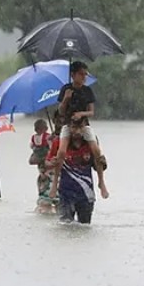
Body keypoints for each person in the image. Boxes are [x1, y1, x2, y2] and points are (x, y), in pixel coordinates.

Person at [49, 61, 109, 200]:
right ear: (73, 75)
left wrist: (81, 114)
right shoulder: (66, 89)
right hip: (68, 125)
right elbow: (61, 111)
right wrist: (66, 99)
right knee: (61, 152)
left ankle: (101, 181)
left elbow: (91, 112)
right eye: (81, 74)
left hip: (83, 125)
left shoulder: (87, 91)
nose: (84, 77)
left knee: (96, 151)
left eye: (85, 74)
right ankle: (55, 184)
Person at [55, 119, 107, 224]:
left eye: (80, 127)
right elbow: (48, 163)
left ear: (85, 128)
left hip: (86, 194)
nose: (77, 131)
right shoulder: (61, 144)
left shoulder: (90, 144)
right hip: (66, 193)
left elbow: (97, 165)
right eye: (74, 127)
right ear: (69, 128)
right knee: (64, 226)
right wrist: (52, 164)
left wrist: (103, 165)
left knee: (84, 227)